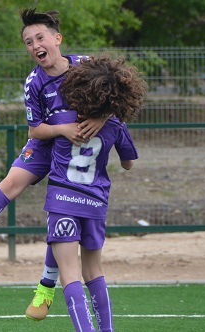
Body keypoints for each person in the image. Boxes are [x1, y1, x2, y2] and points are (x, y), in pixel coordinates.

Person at [0, 8, 106, 322]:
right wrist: (61, 129)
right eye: (28, 42)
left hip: (75, 155)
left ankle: (45, 288)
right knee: (10, 183)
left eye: (39, 37)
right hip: (46, 142)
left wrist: (100, 118)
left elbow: (116, 97)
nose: (34, 45)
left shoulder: (87, 65)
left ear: (57, 38)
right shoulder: (33, 82)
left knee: (61, 213)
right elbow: (34, 129)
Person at [42, 54, 147, 331]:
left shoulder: (62, 119)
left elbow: (36, 133)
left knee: (70, 274)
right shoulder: (115, 124)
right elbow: (129, 164)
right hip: (95, 203)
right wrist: (110, 120)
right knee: (93, 272)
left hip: (63, 200)